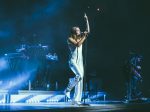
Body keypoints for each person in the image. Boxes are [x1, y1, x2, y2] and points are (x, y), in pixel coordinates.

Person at [64, 13, 90, 105]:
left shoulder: (80, 37)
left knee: (80, 79)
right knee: (79, 75)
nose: (79, 31)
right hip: (73, 61)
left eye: (79, 30)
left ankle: (76, 99)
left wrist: (86, 20)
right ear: (74, 32)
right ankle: (67, 89)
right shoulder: (70, 39)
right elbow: (78, 44)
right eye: (78, 30)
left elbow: (88, 31)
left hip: (80, 61)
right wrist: (84, 37)